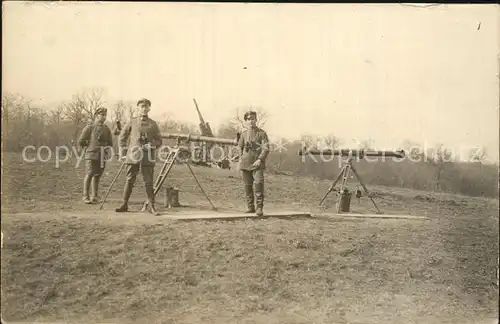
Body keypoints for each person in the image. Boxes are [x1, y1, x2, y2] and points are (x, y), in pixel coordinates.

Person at [115, 98, 163, 215]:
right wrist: (123, 154)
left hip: (148, 156)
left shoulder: (153, 124)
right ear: (138, 108)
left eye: (146, 106)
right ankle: (124, 204)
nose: (144, 109)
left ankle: (151, 206)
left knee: (148, 181)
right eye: (142, 106)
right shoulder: (132, 121)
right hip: (133, 155)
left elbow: (159, 141)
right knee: (130, 179)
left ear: (149, 108)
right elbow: (122, 138)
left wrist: (151, 145)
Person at [77, 107, 113, 204]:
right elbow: (81, 141)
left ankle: (95, 196)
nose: (104, 117)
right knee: (89, 174)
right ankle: (85, 196)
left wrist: (106, 148)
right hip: (91, 154)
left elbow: (110, 142)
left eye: (105, 115)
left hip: (102, 156)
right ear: (97, 115)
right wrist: (89, 146)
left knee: (97, 175)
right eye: (102, 115)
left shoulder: (106, 129)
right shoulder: (90, 127)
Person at [237, 110, 270, 216]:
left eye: (252, 119)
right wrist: (241, 158)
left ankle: (259, 208)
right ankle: (250, 207)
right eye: (248, 119)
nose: (251, 121)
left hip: (257, 164)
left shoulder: (262, 133)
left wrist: (260, 159)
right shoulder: (243, 134)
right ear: (246, 121)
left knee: (259, 184)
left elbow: (266, 148)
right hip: (245, 163)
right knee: (247, 186)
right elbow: (240, 147)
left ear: (256, 120)